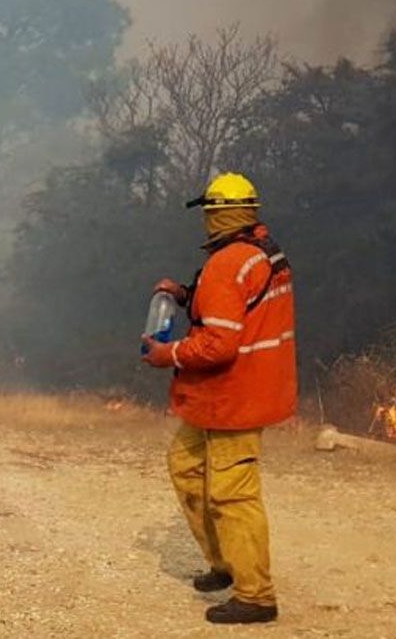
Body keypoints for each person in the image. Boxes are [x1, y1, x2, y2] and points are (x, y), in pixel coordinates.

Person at [141, 172, 297, 625]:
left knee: (233, 493)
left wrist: (167, 354)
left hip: (235, 396)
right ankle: (225, 562)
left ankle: (256, 596)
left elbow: (219, 344)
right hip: (229, 392)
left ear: (216, 215)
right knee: (186, 466)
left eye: (209, 212)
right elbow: (235, 306)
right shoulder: (260, 252)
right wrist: (186, 294)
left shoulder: (229, 262)